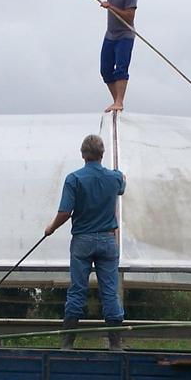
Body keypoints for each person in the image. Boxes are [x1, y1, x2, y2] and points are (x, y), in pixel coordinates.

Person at [45, 134, 127, 349]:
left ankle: (67, 343)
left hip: (82, 240)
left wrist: (51, 228)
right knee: (110, 292)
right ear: (102, 154)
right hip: (108, 240)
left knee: (77, 290)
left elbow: (65, 212)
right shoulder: (114, 178)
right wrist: (117, 174)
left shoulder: (74, 179)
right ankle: (115, 344)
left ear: (83, 154)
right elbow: (122, 183)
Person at [66, 0, 137, 113]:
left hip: (125, 35)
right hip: (111, 35)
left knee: (121, 69)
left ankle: (119, 102)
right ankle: (115, 101)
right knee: (105, 70)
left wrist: (111, 7)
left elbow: (129, 17)